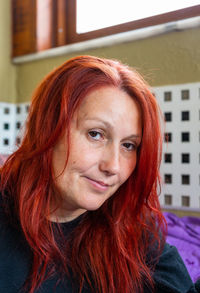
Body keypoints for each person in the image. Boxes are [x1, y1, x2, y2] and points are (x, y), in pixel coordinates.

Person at [0, 55, 199, 293]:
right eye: (95, 134)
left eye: (129, 145)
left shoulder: (129, 226)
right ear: (46, 129)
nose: (113, 166)